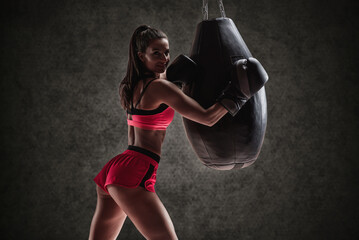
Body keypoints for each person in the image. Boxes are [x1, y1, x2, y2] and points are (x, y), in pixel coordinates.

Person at [88, 25, 228, 240]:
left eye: (166, 52)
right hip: (136, 171)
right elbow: (208, 118)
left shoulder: (133, 86)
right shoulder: (161, 88)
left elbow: (161, 84)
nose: (164, 58)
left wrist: (170, 77)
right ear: (141, 56)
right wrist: (239, 95)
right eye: (156, 53)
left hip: (115, 169)